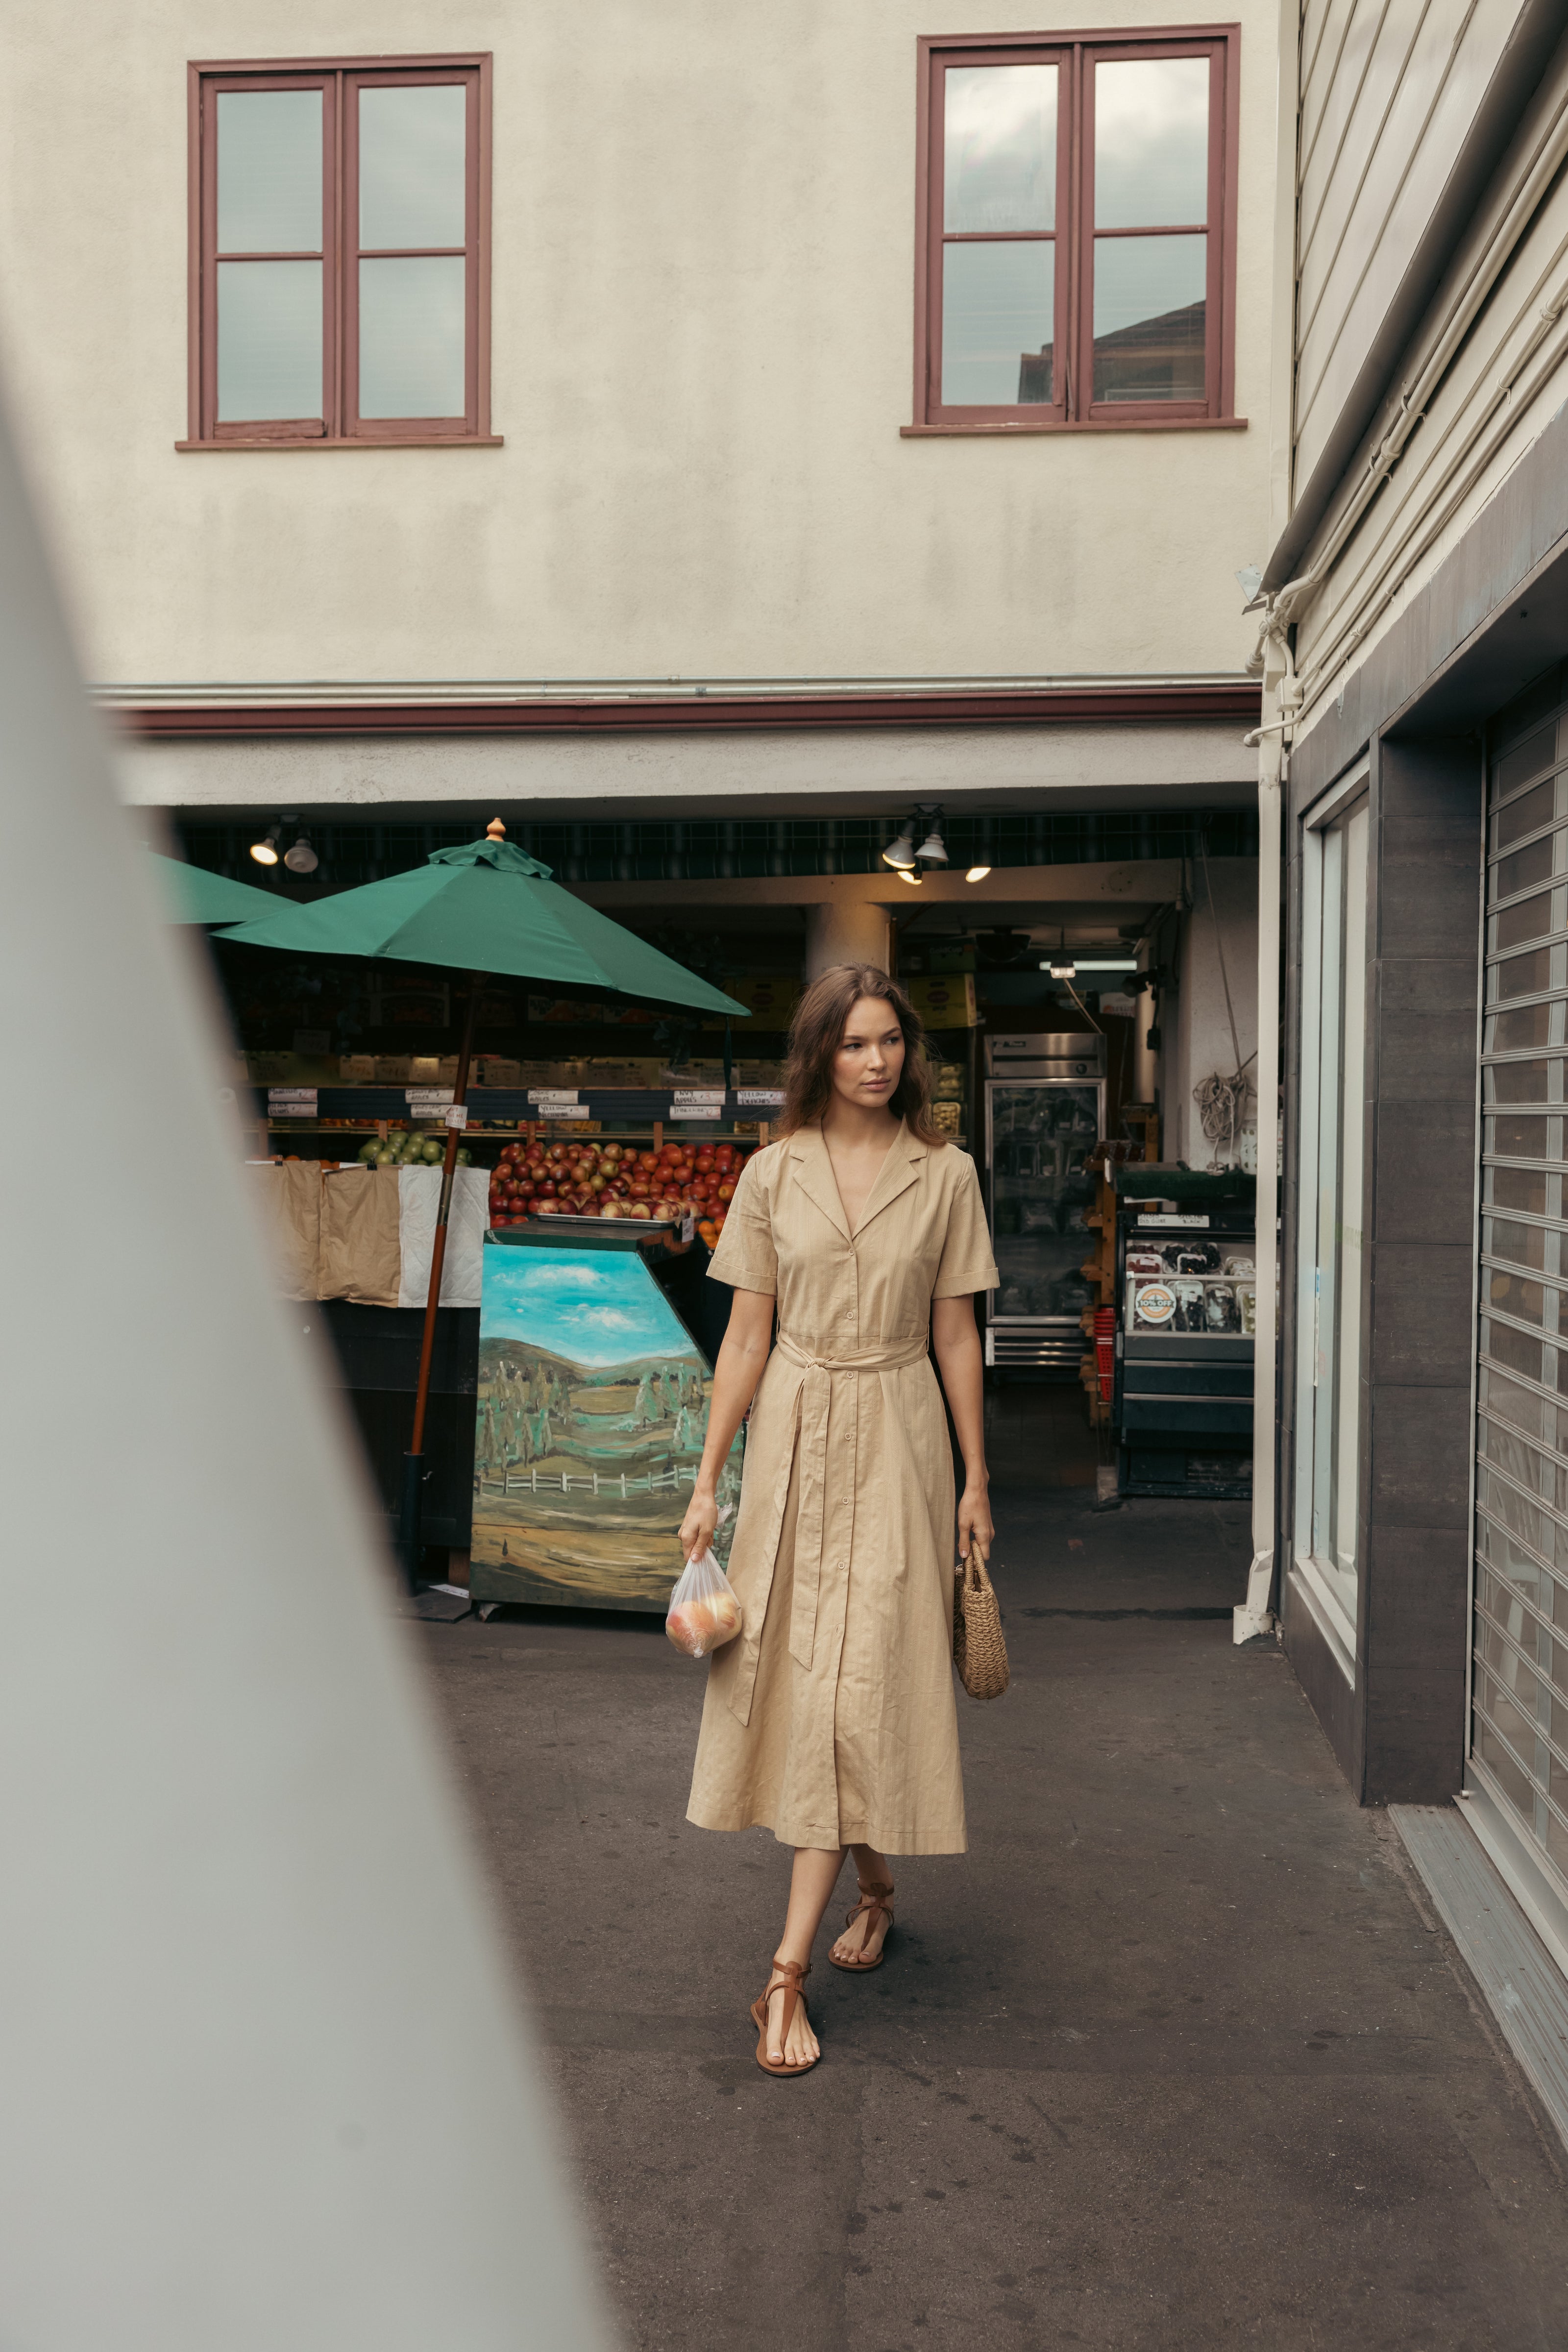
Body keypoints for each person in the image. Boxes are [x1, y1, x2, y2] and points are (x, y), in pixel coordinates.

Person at [679, 964, 998, 2078]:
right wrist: (708, 1475)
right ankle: (874, 1891)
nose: (876, 1062)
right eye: (855, 1044)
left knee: (860, 1676)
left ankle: (781, 1977)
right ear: (819, 1055)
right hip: (797, 1442)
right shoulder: (770, 1175)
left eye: (891, 1043)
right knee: (815, 1683)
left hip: (902, 1434)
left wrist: (974, 1479)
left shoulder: (946, 1174)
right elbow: (745, 1339)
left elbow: (957, 1333)